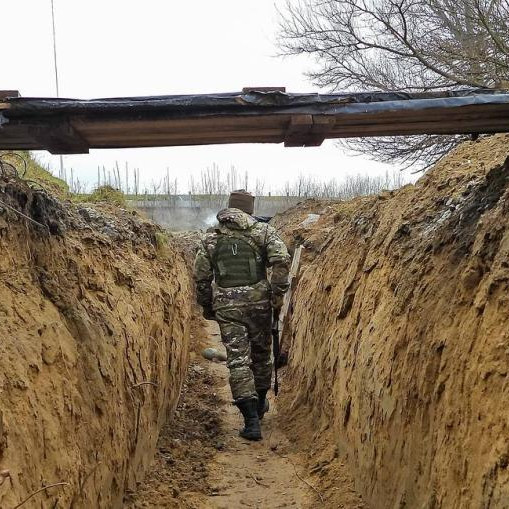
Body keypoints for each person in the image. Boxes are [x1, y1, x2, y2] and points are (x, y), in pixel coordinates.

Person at [194, 190, 290, 441]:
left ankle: (251, 422)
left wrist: (207, 307)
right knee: (261, 356)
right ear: (249, 209)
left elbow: (202, 278)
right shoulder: (263, 232)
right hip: (260, 305)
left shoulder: (211, 238)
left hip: (227, 308)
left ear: (229, 208)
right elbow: (281, 260)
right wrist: (277, 295)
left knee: (238, 361)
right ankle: (259, 408)